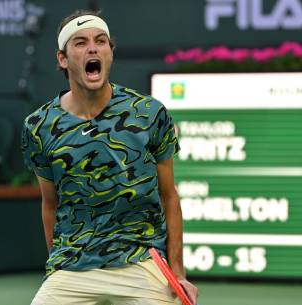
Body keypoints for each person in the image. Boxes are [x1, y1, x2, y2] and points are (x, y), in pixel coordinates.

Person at [21, 9, 198, 305]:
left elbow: (169, 195)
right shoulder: (39, 127)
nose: (92, 48)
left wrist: (177, 272)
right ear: (63, 59)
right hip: (73, 266)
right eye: (80, 43)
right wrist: (57, 264)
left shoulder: (149, 114)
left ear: (110, 54)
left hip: (141, 261)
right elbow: (50, 204)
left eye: (101, 41)